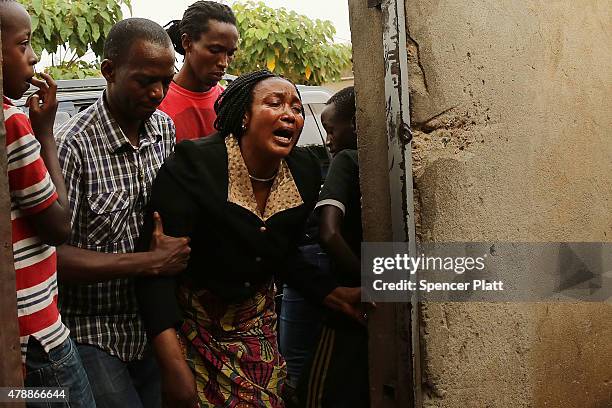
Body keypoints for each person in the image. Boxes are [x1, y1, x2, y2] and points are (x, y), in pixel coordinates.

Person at [136, 70, 364, 408]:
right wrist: (172, 365)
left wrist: (329, 293)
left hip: (254, 321)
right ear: (244, 116)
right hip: (192, 325)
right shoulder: (195, 165)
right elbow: (155, 272)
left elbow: (281, 252)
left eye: (297, 109)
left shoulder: (302, 171)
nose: (290, 114)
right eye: (275, 103)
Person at [54, 18, 191, 408]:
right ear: (109, 71)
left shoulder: (163, 130)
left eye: (166, 80)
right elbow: (54, 257)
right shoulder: (72, 147)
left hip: (153, 324)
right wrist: (147, 263)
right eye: (145, 80)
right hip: (91, 331)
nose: (158, 93)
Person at [0, 1, 96, 406]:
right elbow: (58, 226)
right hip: (38, 340)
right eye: (23, 44)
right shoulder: (12, 123)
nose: (34, 56)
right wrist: (47, 135)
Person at [297, 86, 369, 407]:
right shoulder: (380, 163)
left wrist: (366, 283)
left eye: (331, 129)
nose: (328, 140)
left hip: (350, 295)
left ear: (355, 124)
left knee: (317, 391)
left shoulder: (347, 160)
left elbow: (328, 232)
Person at [160, 1, 239, 141]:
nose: (224, 63)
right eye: (214, 50)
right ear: (187, 42)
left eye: (230, 53)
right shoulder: (156, 101)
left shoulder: (229, 104)